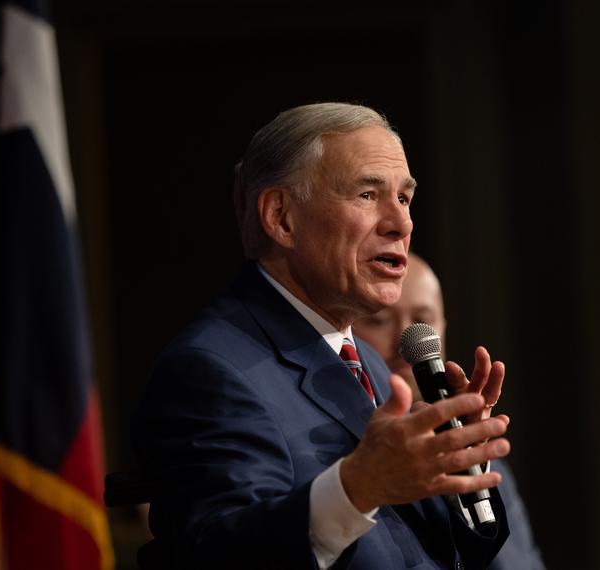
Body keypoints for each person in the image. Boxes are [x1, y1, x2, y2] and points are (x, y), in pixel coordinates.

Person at [132, 102, 512, 569]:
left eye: (404, 198)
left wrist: (454, 463)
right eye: (368, 195)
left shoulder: (366, 361)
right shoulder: (209, 370)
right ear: (281, 217)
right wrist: (358, 488)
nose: (401, 223)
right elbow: (220, 556)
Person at [353, 253, 545, 569]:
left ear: (442, 329)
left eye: (423, 321)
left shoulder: (485, 463)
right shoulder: (351, 452)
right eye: (379, 320)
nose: (403, 342)